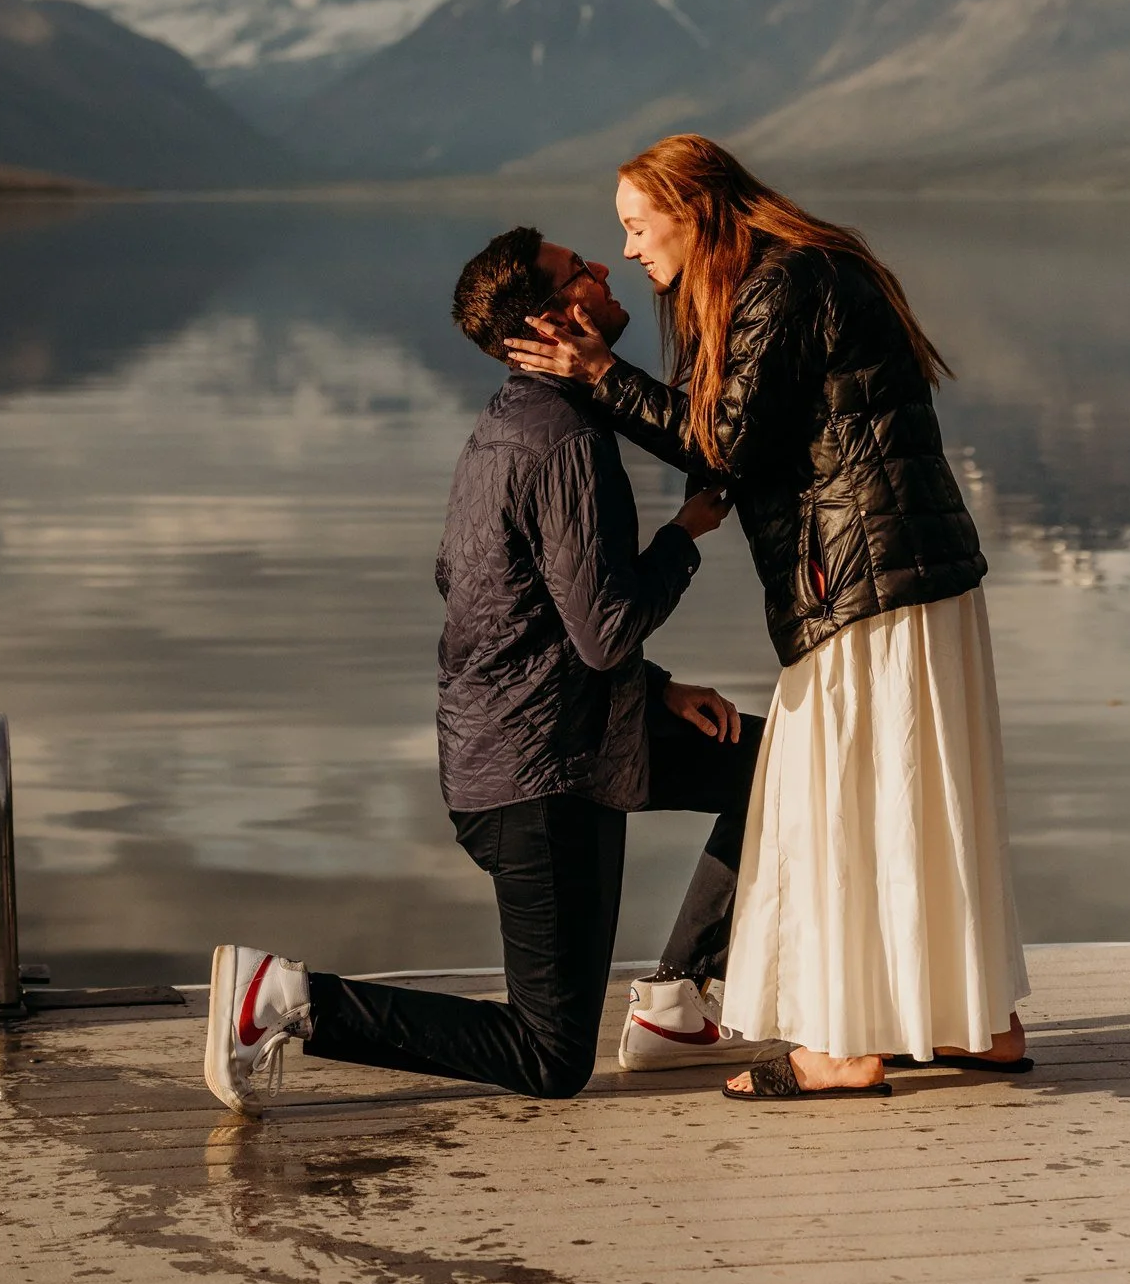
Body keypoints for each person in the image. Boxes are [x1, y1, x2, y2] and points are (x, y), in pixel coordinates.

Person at [504, 135, 1029, 1103]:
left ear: (690, 208)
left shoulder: (780, 284)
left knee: (818, 803)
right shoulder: (803, 272)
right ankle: (980, 1019)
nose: (626, 252)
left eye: (635, 225)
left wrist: (595, 377)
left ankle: (839, 1045)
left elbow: (726, 443)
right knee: (926, 796)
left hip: (861, 587)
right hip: (914, 573)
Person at [204, 224, 766, 1116]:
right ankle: (286, 998)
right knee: (548, 1056)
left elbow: (510, 609)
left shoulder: (510, 426)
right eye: (577, 267)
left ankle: (674, 1003)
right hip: (544, 782)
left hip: (562, 740)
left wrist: (659, 691)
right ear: (552, 320)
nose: (603, 264)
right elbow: (604, 628)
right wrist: (682, 537)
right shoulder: (565, 443)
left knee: (773, 770)